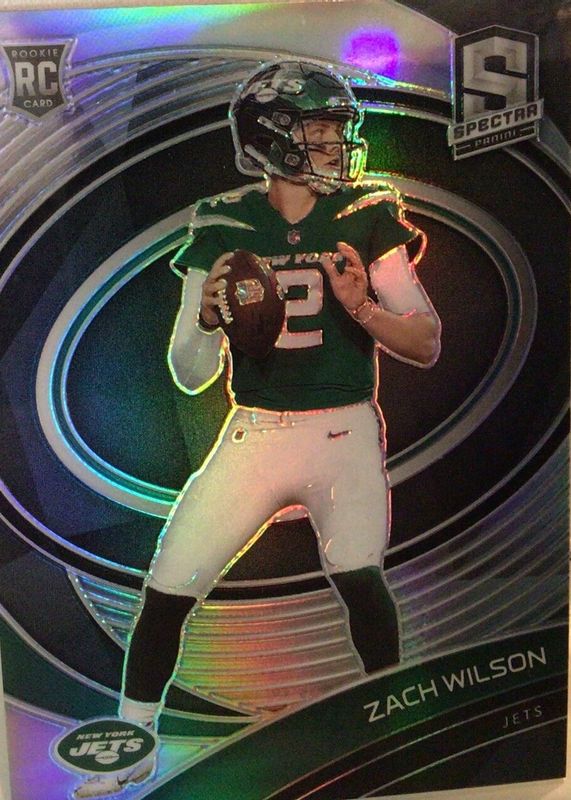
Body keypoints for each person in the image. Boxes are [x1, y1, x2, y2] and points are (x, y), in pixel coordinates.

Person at [74, 59, 440, 798]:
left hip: (343, 431)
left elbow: (426, 343)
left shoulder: (367, 210)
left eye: (337, 129)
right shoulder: (222, 220)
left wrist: (361, 307)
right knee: (169, 585)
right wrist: (208, 319)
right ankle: (132, 742)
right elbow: (188, 372)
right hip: (256, 431)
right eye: (318, 128)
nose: (335, 144)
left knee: (360, 576)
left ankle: (394, 732)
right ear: (270, 136)